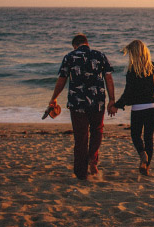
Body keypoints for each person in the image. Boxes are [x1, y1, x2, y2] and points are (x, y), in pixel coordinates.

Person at [47, 34, 116, 181]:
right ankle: (92, 158)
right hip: (97, 101)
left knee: (80, 137)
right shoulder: (100, 55)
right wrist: (112, 100)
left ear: (75, 45)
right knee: (97, 130)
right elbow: (108, 78)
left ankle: (81, 173)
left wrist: (53, 98)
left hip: (77, 103)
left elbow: (62, 80)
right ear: (87, 43)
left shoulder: (69, 57)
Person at [110, 39, 154, 176]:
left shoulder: (132, 71)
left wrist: (116, 105)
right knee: (148, 137)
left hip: (138, 109)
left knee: (135, 135)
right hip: (153, 108)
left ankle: (142, 154)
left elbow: (128, 92)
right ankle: (146, 166)